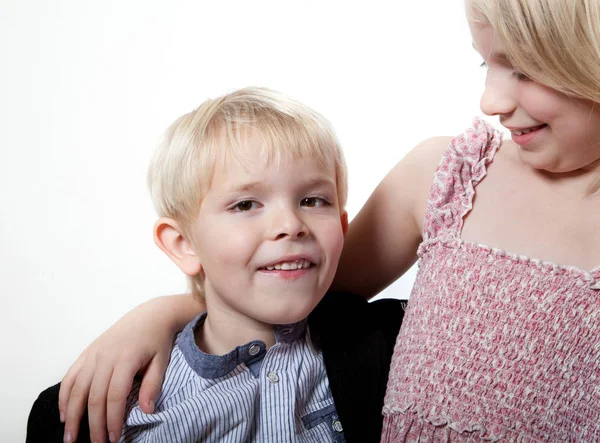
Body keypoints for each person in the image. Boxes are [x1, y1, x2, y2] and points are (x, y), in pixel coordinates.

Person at [41, 0, 600, 440]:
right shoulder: (450, 176)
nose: (490, 100)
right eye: (486, 61)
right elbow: (291, 293)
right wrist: (160, 314)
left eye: (523, 68)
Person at [27, 87, 406, 443]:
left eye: (312, 200)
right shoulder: (110, 409)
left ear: (341, 228)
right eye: (245, 205)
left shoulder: (391, 342)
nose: (291, 225)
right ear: (183, 244)